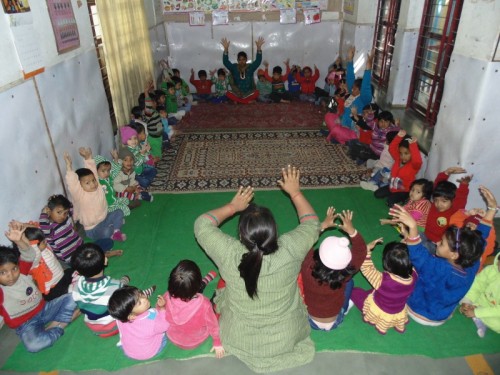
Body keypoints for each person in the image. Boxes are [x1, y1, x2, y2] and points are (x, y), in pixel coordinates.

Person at [194, 165, 319, 372]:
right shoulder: (291, 249)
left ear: (241, 235)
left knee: (223, 284)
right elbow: (311, 224)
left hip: (237, 337)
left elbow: (202, 225)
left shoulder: (230, 254)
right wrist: (295, 193)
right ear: (274, 232)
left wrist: (233, 207)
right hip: (286, 336)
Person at [389, 185, 496, 326]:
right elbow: (480, 238)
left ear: (453, 254)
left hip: (417, 311)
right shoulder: (474, 263)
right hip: (442, 316)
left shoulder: (436, 266)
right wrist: (492, 209)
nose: (438, 242)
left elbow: (418, 254)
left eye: (442, 243)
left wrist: (413, 227)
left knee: (410, 266)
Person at [1, 221, 77, 352]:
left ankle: (56, 323)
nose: (11, 276)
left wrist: (19, 241)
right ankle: (60, 325)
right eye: (3, 272)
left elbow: (29, 255)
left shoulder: (23, 273)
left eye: (14, 269)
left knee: (75, 296)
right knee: (34, 346)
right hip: (26, 325)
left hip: (45, 309)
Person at [300, 208, 367, 331]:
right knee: (350, 283)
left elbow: (305, 241)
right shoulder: (345, 274)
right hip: (335, 320)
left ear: (319, 254)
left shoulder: (307, 268)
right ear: (345, 263)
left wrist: (322, 226)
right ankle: (344, 310)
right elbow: (361, 250)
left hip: (309, 320)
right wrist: (352, 231)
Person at [71, 243, 145, 337]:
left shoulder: (76, 287)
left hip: (94, 328)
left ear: (78, 271)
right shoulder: (115, 286)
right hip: (114, 327)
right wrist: (123, 283)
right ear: (105, 261)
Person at [351, 239, 417, 334]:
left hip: (379, 310)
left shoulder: (382, 280)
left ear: (387, 265)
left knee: (355, 291)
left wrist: (367, 250)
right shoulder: (414, 276)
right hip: (397, 310)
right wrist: (404, 246)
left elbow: (367, 268)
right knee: (375, 291)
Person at [65, 148, 127, 245]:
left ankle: (116, 231)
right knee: (106, 231)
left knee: (119, 212)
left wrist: (88, 158)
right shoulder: (80, 195)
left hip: (105, 218)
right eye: (87, 183)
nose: (93, 184)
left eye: (93, 180)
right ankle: (113, 229)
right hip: (93, 228)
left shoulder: (98, 187)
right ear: (80, 185)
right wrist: (69, 167)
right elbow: (72, 184)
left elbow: (93, 171)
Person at [163, 260, 224, 358]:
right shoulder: (204, 304)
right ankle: (203, 285)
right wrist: (217, 341)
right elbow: (213, 325)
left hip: (174, 338)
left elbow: (160, 310)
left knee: (187, 292)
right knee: (216, 304)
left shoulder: (166, 297)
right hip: (197, 340)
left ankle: (201, 285)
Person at [325, 47, 373, 144]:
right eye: (352, 87)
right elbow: (350, 77)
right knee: (328, 116)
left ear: (361, 90)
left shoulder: (364, 98)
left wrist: (368, 69)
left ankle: (341, 137)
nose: (352, 89)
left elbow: (365, 86)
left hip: (353, 128)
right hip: (343, 121)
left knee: (336, 130)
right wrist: (350, 59)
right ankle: (337, 135)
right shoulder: (352, 94)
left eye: (355, 88)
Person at [108, 286, 169, 360]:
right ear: (131, 316)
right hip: (149, 352)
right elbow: (165, 326)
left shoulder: (121, 317)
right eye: (139, 303)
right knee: (163, 333)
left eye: (141, 294)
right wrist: (162, 308)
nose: (144, 299)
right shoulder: (151, 322)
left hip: (129, 352)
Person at [421, 167, 470, 253]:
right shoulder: (433, 205)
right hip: (425, 235)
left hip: (437, 244)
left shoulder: (454, 210)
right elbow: (437, 185)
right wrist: (446, 173)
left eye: (444, 201)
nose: (439, 204)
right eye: (436, 200)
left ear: (452, 200)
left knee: (423, 247)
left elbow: (461, 198)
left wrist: (464, 185)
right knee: (413, 235)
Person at [23, 227, 75, 301]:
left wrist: (23, 225)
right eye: (43, 242)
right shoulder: (34, 260)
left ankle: (70, 289)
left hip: (61, 277)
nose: (46, 242)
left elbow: (37, 227)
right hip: (52, 288)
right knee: (60, 294)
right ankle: (69, 291)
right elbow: (31, 250)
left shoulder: (45, 248)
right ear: (34, 247)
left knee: (72, 271)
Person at [374, 130, 422, 207]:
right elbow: (391, 148)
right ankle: (394, 197)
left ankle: (406, 198)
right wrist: (398, 137)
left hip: (404, 191)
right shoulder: (398, 158)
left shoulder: (414, 165)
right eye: (401, 153)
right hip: (392, 187)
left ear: (412, 153)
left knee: (389, 202)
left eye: (406, 153)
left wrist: (413, 145)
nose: (403, 156)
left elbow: (418, 160)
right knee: (377, 194)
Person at [460, 251, 500, 337]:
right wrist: (467, 301)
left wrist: (477, 312)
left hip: (496, 313)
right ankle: (475, 312)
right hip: (481, 301)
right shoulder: (491, 270)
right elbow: (477, 285)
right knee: (464, 294)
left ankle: (479, 317)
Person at [221, 36, 265, 104]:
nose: (241, 61)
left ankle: (240, 101)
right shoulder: (234, 67)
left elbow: (258, 61)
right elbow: (225, 62)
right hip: (237, 93)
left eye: (243, 59)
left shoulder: (250, 67)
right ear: (237, 60)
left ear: (246, 60)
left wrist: (259, 48)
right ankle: (246, 102)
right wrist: (226, 49)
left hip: (249, 93)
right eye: (240, 60)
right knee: (227, 93)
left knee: (257, 92)